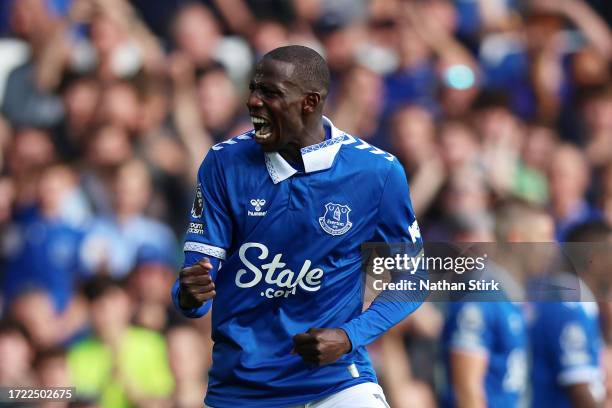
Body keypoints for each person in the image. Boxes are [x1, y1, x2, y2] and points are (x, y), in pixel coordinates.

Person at [171, 45, 426, 407]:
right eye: (253, 89)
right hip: (244, 390)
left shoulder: (377, 173)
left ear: (309, 102)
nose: (253, 102)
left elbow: (414, 279)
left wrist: (348, 336)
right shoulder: (223, 164)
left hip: (336, 381)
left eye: (270, 93)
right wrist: (188, 293)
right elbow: (192, 291)